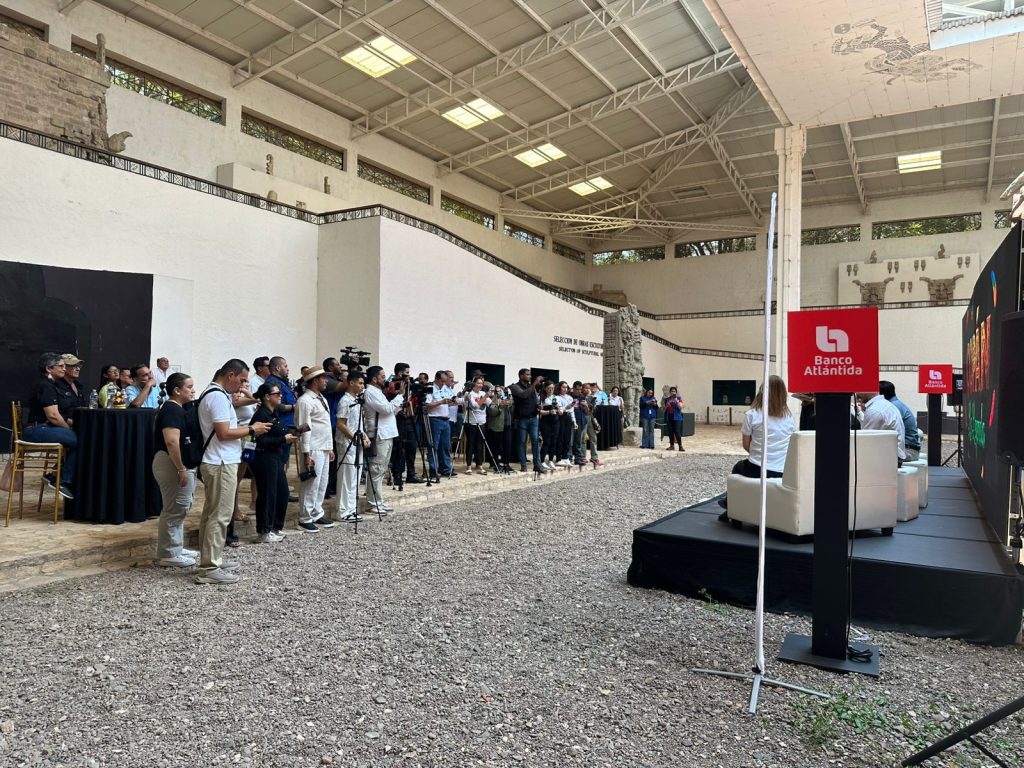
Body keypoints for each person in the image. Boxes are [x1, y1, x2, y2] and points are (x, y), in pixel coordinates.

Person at [194, 359, 270, 585]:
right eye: (242, 380)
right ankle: (209, 567)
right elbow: (224, 433)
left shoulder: (215, 394)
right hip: (219, 461)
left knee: (213, 513)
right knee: (220, 515)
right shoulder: (217, 397)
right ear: (230, 375)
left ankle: (210, 558)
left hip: (219, 460)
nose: (243, 385)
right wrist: (252, 429)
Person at [718, 375, 796, 520]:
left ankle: (731, 506)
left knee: (738, 468)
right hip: (781, 471)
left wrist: (758, 453)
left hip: (757, 468)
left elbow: (746, 445)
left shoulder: (752, 415)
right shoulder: (789, 418)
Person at [152, 372, 201, 566]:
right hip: (171, 463)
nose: (193, 390)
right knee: (174, 508)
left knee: (181, 507)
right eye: (189, 387)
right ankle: (168, 553)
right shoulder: (171, 410)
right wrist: (180, 468)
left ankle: (176, 547)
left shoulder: (178, 409)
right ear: (177, 390)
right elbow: (172, 442)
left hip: (178, 464)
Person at [249, 382, 299, 542]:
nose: (280, 396)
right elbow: (259, 441)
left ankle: (276, 527)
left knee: (282, 491)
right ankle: (264, 530)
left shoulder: (274, 412)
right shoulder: (261, 415)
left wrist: (291, 433)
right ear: (267, 397)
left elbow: (279, 431)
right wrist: (283, 439)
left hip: (275, 456)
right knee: (267, 493)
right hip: (264, 457)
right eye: (277, 394)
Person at [22, 352, 76, 499]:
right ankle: (63, 480)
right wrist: (68, 428)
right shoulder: (46, 386)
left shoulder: (51, 385)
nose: (64, 369)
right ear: (48, 368)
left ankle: (54, 475)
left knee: (79, 438)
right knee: (83, 441)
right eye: (61, 366)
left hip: (43, 428)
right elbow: (53, 416)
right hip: (36, 429)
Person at [295, 366, 335, 533]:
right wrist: (306, 453)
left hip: (323, 446)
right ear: (315, 380)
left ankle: (316, 512)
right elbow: (304, 427)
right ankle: (304, 517)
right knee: (310, 484)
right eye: (323, 378)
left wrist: (330, 447)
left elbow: (325, 424)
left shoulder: (321, 398)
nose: (326, 381)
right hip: (313, 447)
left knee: (322, 483)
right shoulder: (305, 401)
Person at [362, 365, 405, 516]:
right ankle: (373, 503)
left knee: (381, 469)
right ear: (374, 379)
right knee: (375, 469)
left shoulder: (378, 392)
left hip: (387, 433)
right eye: (382, 376)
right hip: (379, 434)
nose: (385, 379)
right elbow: (386, 409)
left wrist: (399, 403)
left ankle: (378, 500)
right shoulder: (370, 392)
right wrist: (399, 396)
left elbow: (389, 412)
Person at [335, 371, 368, 523]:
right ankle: (343, 511)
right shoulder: (345, 400)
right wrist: (355, 438)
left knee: (355, 476)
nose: (362, 386)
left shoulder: (357, 400)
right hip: (347, 443)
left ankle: (351, 508)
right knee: (346, 477)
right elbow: (341, 423)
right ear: (351, 383)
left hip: (357, 443)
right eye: (360, 383)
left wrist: (365, 436)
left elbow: (358, 423)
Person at [857, 388, 906, 466]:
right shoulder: (884, 404)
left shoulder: (874, 410)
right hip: (896, 455)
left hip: (891, 458)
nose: (857, 394)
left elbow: (865, 442)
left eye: (858, 390)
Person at [510, 368, 546, 473]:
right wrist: (534, 383)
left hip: (533, 418)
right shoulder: (515, 387)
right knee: (522, 442)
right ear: (521, 376)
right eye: (527, 374)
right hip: (521, 419)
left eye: (530, 375)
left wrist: (538, 406)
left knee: (536, 441)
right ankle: (523, 465)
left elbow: (534, 399)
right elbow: (524, 395)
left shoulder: (532, 387)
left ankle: (537, 465)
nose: (530, 376)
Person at [425, 370, 456, 479]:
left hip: (446, 419)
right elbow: (428, 405)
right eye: (442, 381)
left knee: (446, 446)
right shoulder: (430, 389)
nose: (443, 383)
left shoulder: (444, 389)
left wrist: (452, 402)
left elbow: (448, 402)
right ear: (437, 379)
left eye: (445, 381)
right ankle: (433, 470)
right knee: (434, 446)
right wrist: (441, 402)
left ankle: (446, 469)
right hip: (435, 419)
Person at [880, 381, 921, 461]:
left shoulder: (891, 407)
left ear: (881, 395)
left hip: (908, 451)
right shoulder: (896, 404)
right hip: (909, 449)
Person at [462, 376, 490, 474]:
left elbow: (490, 404)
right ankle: (469, 465)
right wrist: (484, 398)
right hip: (471, 422)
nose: (480, 385)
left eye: (481, 383)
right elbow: (475, 406)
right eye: (478, 383)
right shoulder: (469, 394)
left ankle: (480, 464)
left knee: (480, 445)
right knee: (471, 444)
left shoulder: (482, 393)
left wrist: (494, 396)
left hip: (482, 421)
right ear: (474, 383)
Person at [485, 385, 513, 472]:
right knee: (496, 447)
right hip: (496, 427)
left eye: (500, 391)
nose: (499, 393)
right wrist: (500, 405)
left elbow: (511, 405)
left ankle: (506, 464)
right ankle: (495, 464)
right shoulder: (490, 400)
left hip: (507, 425)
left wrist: (509, 399)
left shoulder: (505, 398)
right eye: (497, 391)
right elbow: (492, 412)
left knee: (507, 446)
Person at [570, 382, 591, 466]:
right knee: (570, 441)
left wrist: (586, 406)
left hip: (581, 421)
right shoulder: (569, 397)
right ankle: (569, 458)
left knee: (578, 441)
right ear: (573, 389)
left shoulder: (582, 397)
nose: (579, 391)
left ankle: (578, 458)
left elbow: (587, 412)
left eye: (580, 389)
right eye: (577, 389)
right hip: (571, 421)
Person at [555, 381, 575, 465]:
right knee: (560, 438)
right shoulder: (556, 397)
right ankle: (559, 458)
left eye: (566, 387)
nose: (565, 389)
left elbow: (572, 410)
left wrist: (574, 421)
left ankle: (565, 457)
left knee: (567, 438)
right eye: (563, 387)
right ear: (559, 388)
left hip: (568, 417)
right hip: (561, 417)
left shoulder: (570, 397)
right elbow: (560, 410)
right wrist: (567, 407)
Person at [662, 387, 685, 451]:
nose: (673, 392)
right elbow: (663, 410)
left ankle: (680, 446)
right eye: (672, 391)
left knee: (677, 431)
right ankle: (672, 446)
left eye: (674, 391)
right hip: (669, 416)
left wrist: (676, 402)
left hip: (677, 417)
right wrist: (666, 406)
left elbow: (680, 408)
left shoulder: (679, 398)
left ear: (676, 392)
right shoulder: (667, 399)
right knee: (670, 432)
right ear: (670, 392)